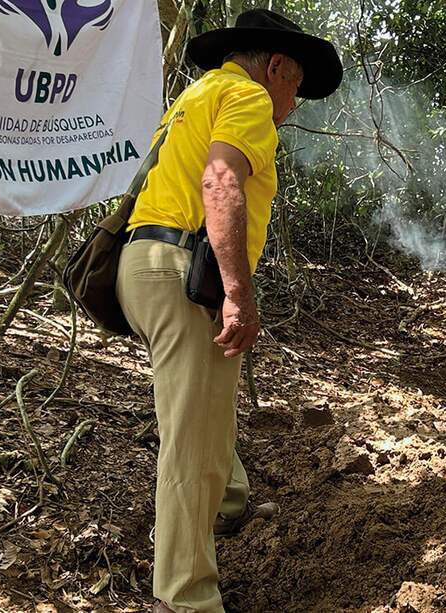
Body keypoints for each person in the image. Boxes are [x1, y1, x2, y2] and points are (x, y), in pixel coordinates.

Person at [114, 10, 342, 612]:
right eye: (294, 87)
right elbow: (220, 183)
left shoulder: (197, 93)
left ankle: (230, 503)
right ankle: (185, 596)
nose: (291, 105)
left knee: (205, 402)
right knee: (191, 439)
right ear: (276, 68)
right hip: (182, 272)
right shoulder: (247, 98)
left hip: (141, 266)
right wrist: (239, 292)